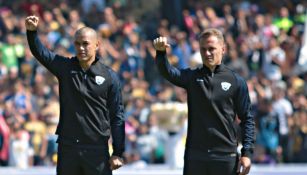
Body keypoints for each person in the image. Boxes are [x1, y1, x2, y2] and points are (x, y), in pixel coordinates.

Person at [25, 15, 125, 175]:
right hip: (68, 148)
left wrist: (118, 152)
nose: (81, 48)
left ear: (97, 45)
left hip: (96, 149)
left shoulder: (109, 76)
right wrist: (32, 33)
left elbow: (117, 116)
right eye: (77, 44)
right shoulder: (65, 68)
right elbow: (41, 53)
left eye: (86, 44)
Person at [153, 28, 255, 175]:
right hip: (196, 157)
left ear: (223, 49)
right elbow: (168, 72)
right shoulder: (193, 77)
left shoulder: (236, 81)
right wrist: (161, 53)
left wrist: (247, 153)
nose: (207, 53)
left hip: (225, 157)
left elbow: (247, 119)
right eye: (203, 49)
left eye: (211, 49)